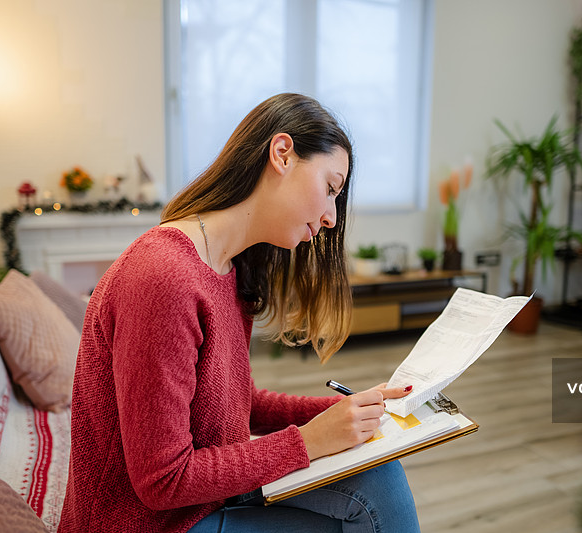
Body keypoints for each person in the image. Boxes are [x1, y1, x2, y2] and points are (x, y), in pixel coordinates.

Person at [58, 93, 421, 533]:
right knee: (362, 506)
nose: (330, 217)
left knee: (379, 471)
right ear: (282, 153)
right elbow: (163, 481)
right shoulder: (163, 277)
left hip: (201, 502)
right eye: (330, 188)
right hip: (150, 522)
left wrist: (348, 414)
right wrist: (309, 441)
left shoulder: (229, 266)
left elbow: (239, 406)